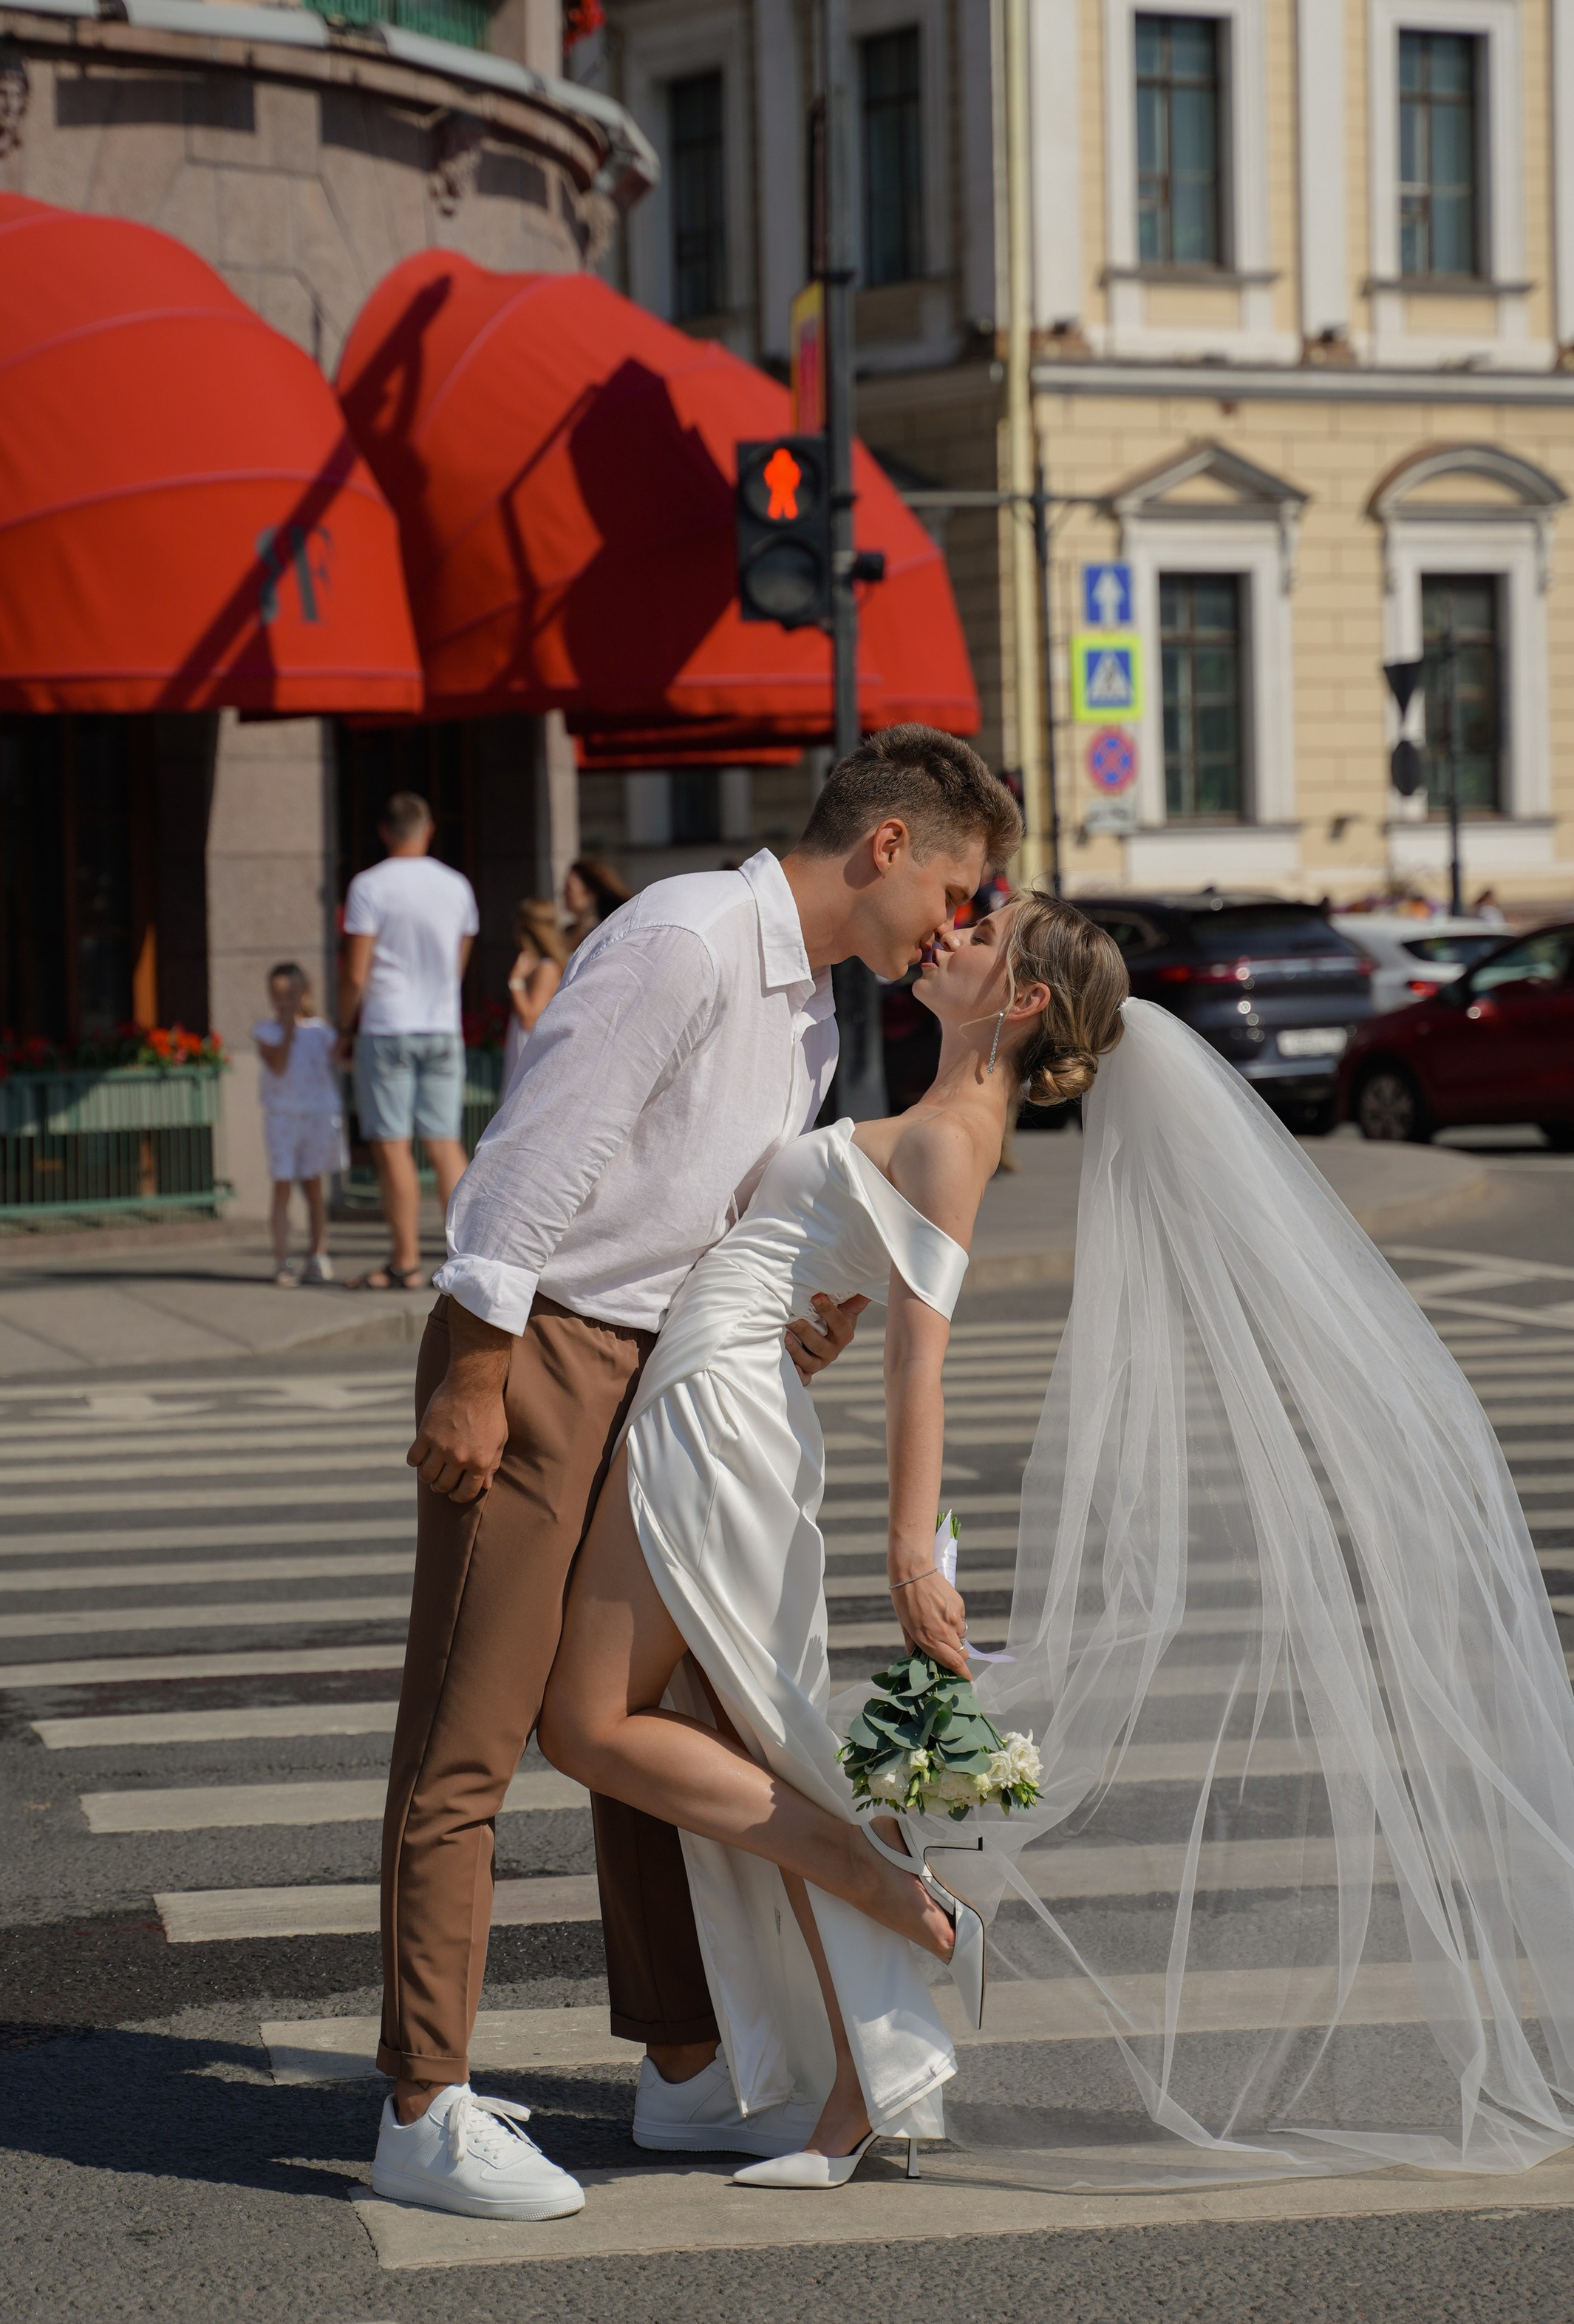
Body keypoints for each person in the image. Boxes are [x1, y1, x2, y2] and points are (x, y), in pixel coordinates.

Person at [539, 896, 1574, 2195]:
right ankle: (855, 2051)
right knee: (724, 1737)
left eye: (982, 937)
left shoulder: (957, 1139)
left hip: (723, 1418)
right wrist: (822, 1310)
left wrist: (912, 1550)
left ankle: (889, 1908)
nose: (947, 938)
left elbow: (927, 1367)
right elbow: (842, 1276)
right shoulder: (929, 1124)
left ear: (1020, 1000)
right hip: (725, 1393)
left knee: (617, 1729)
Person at [367, 725, 1023, 2224]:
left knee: (652, 1719)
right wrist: (475, 1365)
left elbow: (708, 1205)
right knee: (467, 1741)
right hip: (540, 1353)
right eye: (956, 886)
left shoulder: (804, 1016)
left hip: (659, 1374)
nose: (954, 924)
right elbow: (535, 1152)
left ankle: (677, 2060)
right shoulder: (685, 938)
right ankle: (421, 2105)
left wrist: (792, 1313)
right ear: (887, 847)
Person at [339, 795, 479, 1294]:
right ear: (428, 829)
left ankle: (405, 1262)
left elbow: (356, 972)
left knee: (393, 1146)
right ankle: (470, 1256)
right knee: (445, 1143)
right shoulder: (456, 885)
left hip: (387, 1024)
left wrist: (342, 1027)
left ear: (384, 831)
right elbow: (458, 960)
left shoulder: (369, 886)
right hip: (442, 1024)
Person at [253, 962, 344, 1285]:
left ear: (304, 993)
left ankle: (318, 1255)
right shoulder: (266, 1031)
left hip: (318, 1115)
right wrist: (289, 1026)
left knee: (314, 1186)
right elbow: (277, 1065)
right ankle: (282, 1262)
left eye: (290, 994)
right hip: (282, 1117)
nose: (284, 1001)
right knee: (282, 1186)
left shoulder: (320, 1030)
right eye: (278, 996)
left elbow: (343, 1059)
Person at [501, 897, 566, 1101]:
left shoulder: (546, 967)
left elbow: (530, 1018)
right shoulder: (542, 965)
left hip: (529, 1053)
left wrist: (516, 982)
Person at [562, 855, 627, 950]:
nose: (564, 893)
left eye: (569, 888)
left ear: (589, 892)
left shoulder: (609, 933)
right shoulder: (567, 932)